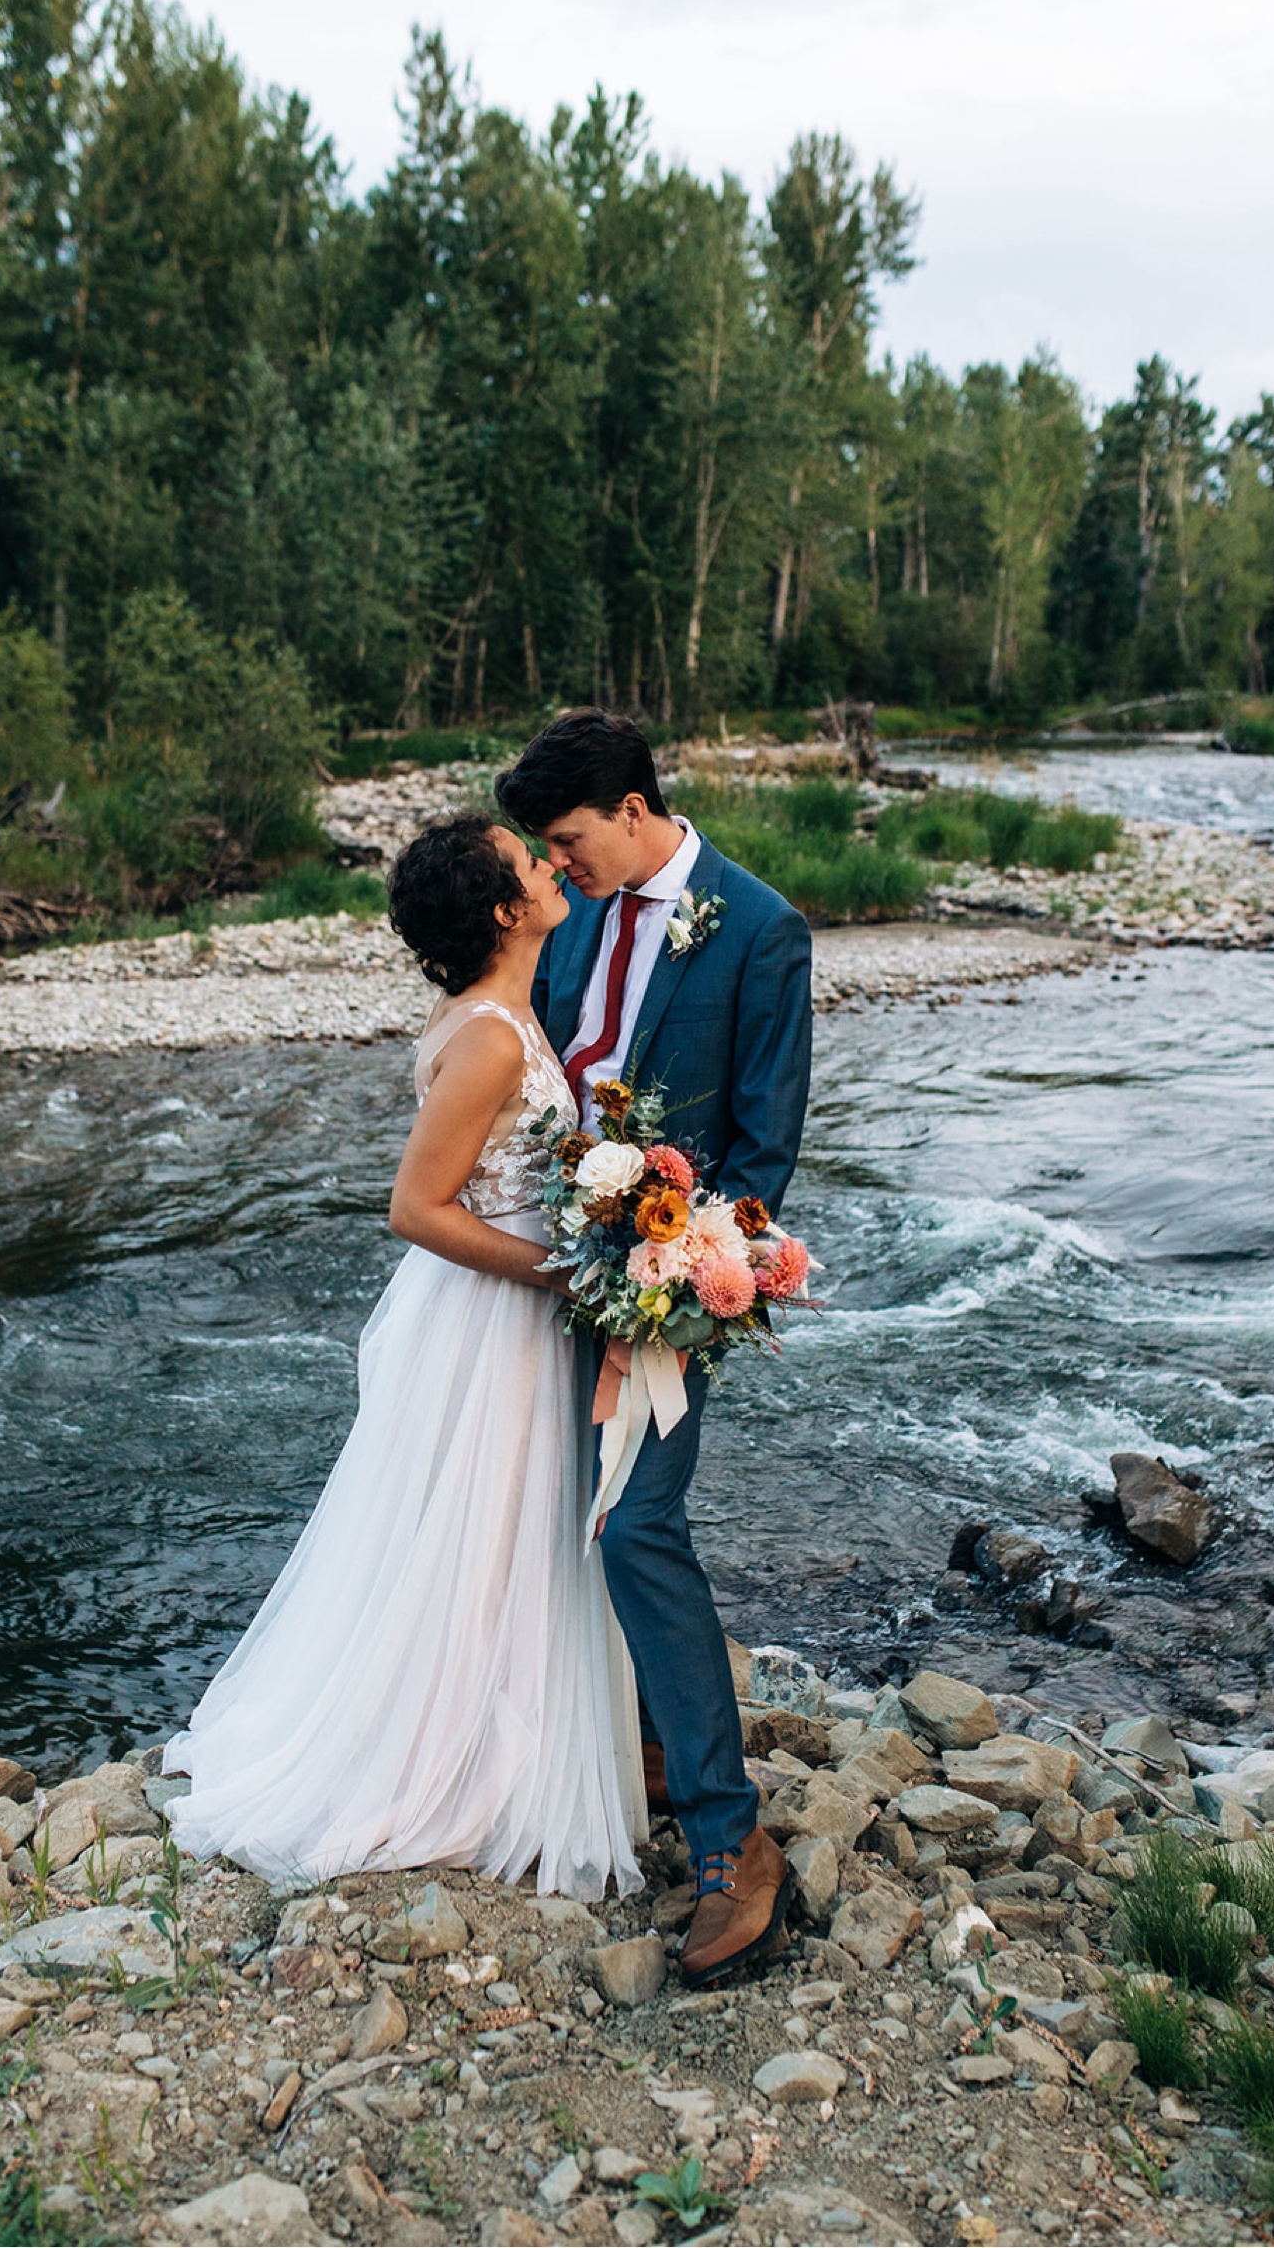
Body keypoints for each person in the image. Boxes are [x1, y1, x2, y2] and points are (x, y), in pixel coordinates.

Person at [163, 813, 646, 1900]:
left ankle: (486, 1732)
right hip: (491, 1315)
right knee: (479, 1529)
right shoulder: (487, 1039)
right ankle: (449, 1763)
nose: (549, 864)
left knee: (490, 1530)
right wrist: (561, 1272)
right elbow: (415, 1208)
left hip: (499, 1307)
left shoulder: (507, 1017)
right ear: (504, 910)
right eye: (532, 861)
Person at [495, 707, 813, 1988]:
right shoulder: (576, 911)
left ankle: (737, 1845)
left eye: (569, 840)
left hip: (675, 1277)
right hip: (546, 1267)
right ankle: (640, 1748)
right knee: (552, 1510)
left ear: (633, 811)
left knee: (636, 1528)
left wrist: (671, 1274)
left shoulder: (762, 930)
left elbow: (763, 1151)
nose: (559, 866)